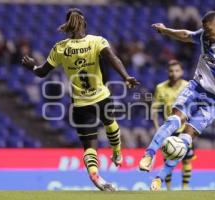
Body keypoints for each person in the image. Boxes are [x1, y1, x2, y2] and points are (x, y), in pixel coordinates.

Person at [21, 8, 139, 191]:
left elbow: (42, 72)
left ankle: (96, 177)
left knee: (90, 145)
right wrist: (126, 77)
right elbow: (113, 58)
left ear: (68, 25)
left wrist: (32, 66)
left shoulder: (60, 47)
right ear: (84, 24)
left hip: (81, 104)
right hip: (101, 97)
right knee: (111, 124)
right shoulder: (97, 41)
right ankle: (117, 153)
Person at [138, 11, 215, 191]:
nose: (205, 31)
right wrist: (166, 31)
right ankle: (149, 155)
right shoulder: (204, 36)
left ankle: (159, 177)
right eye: (204, 28)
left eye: (208, 28)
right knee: (174, 119)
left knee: (186, 138)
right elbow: (186, 35)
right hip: (196, 87)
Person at [151, 60, 196, 190]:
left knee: (186, 160)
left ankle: (185, 188)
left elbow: (195, 107)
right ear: (167, 72)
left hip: (185, 130)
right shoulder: (160, 88)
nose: (174, 73)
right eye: (171, 71)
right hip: (169, 130)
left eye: (177, 70)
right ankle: (169, 189)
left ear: (181, 72)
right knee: (168, 161)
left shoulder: (188, 86)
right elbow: (154, 110)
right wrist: (157, 128)